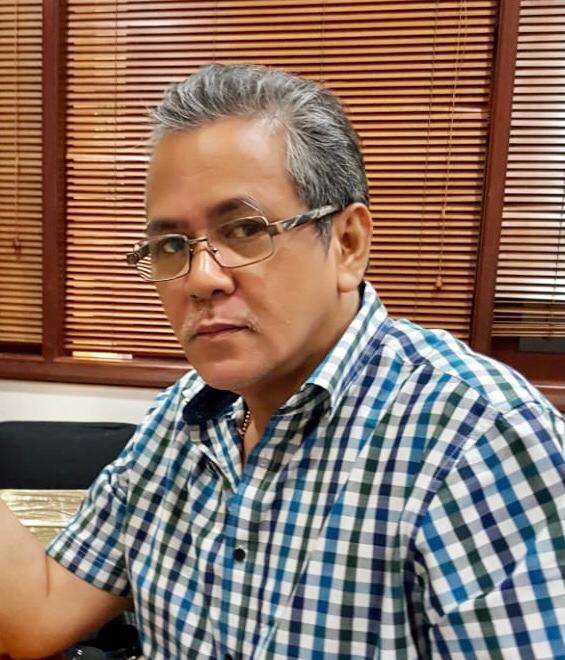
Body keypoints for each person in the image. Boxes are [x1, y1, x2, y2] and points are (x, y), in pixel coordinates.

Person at [1, 63, 564, 660]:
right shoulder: (184, 420)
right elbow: (40, 615)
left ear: (347, 244)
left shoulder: (480, 441)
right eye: (170, 245)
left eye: (245, 229)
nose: (200, 278)